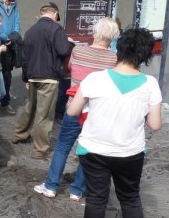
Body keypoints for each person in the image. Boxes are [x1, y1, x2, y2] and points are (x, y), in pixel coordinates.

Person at [67, 27, 162, 218]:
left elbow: (72, 111)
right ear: (146, 55)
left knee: (97, 199)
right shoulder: (150, 84)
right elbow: (155, 124)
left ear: (119, 48)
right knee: (130, 198)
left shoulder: (95, 79)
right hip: (130, 152)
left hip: (94, 150)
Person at [34, 17, 119, 200]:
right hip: (97, 111)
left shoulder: (78, 51)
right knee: (87, 150)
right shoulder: (114, 59)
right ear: (112, 36)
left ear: (95, 32)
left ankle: (51, 186)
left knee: (63, 146)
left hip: (74, 106)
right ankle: (77, 190)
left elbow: (70, 69)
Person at [11, 2, 74, 159]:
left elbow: (25, 57)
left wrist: (26, 77)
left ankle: (19, 134)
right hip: (49, 78)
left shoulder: (31, 31)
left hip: (32, 76)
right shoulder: (56, 29)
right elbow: (63, 50)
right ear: (54, 14)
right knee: (44, 115)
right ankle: (40, 150)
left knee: (30, 107)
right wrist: (70, 43)